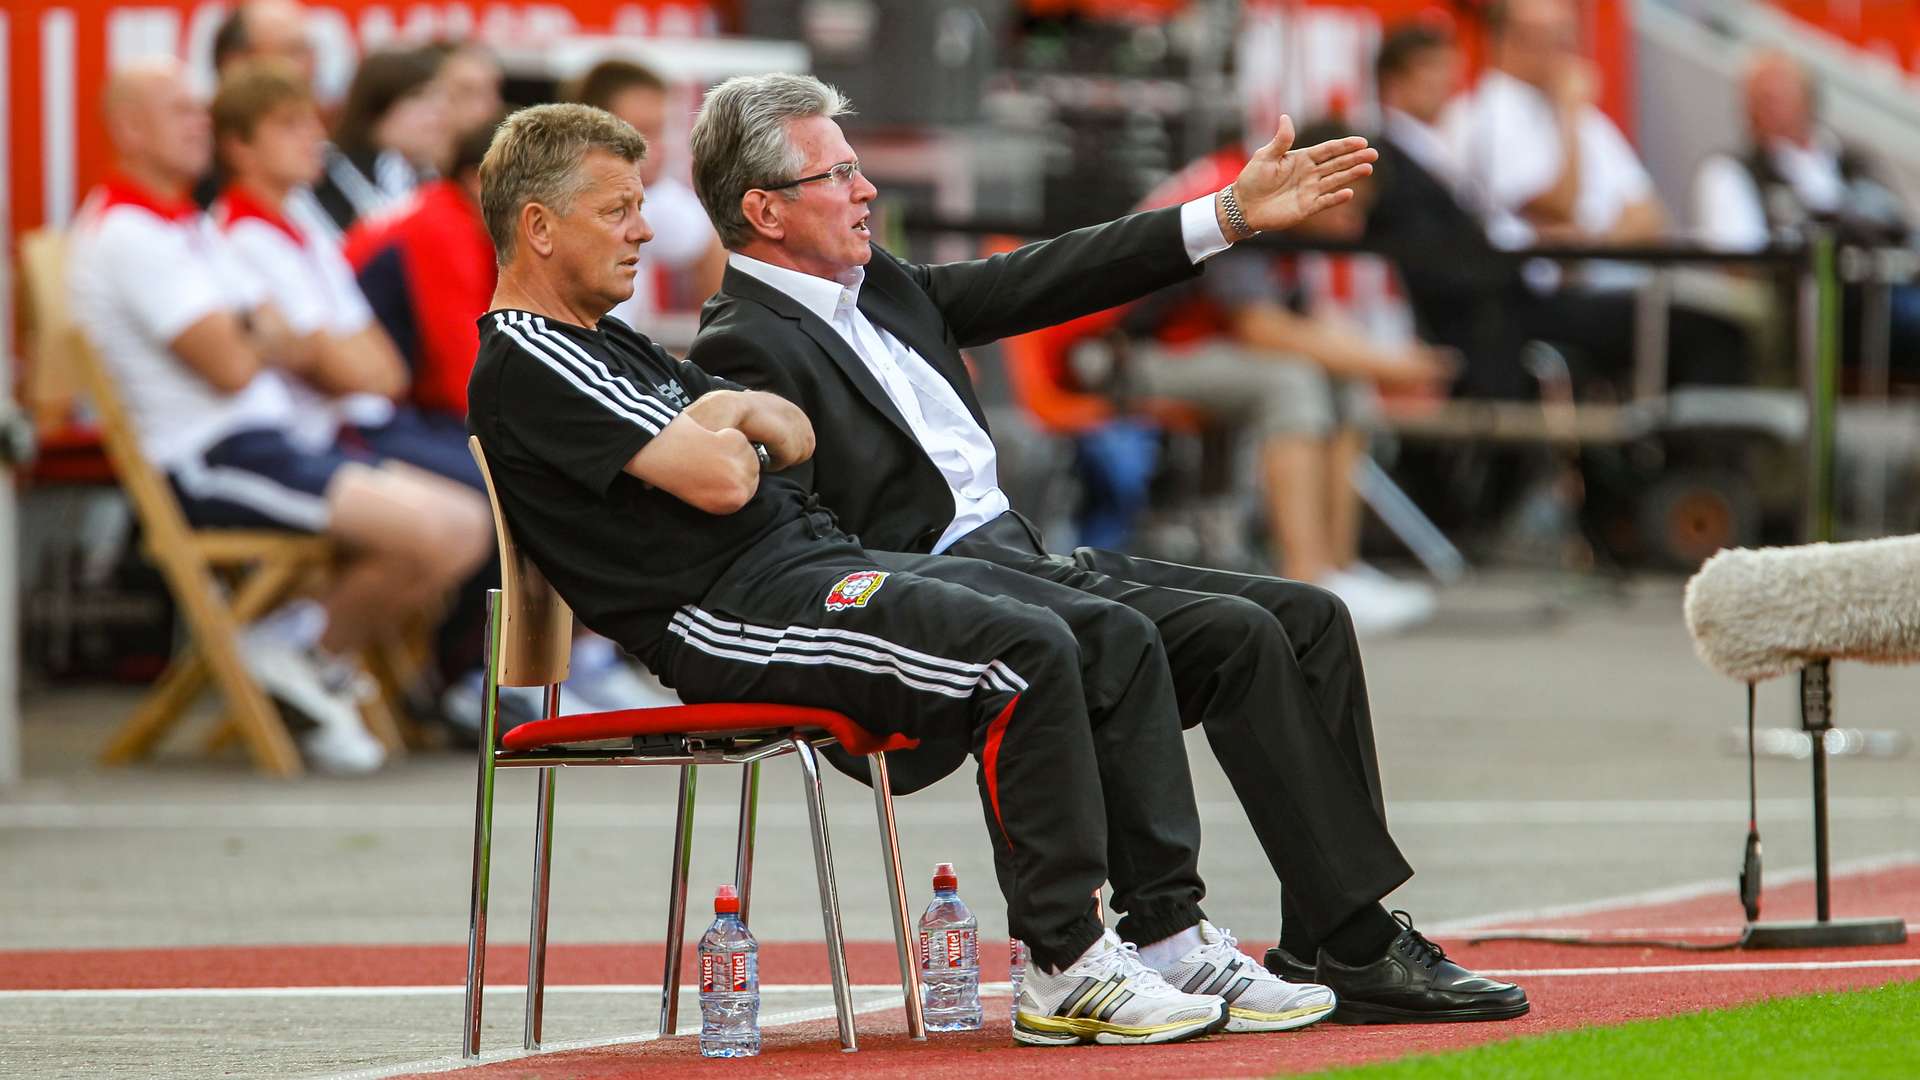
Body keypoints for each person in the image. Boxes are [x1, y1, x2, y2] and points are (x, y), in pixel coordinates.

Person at [466, 101, 1345, 1046]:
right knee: (1021, 648)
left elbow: (787, 430)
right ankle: (1065, 962)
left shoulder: (617, 345)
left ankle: (1168, 935)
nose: (644, 227)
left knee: (1106, 632)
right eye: (617, 210)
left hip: (812, 569)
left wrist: (727, 427)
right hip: (730, 614)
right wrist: (729, 427)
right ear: (538, 227)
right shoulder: (530, 353)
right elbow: (728, 474)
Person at [687, 73, 1528, 1023]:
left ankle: (1335, 934)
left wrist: (1229, 215)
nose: (867, 188)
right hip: (947, 594)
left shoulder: (874, 282)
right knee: (1216, 633)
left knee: (1306, 620)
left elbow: (1044, 276)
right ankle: (1204, 933)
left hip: (1023, 555)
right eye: (838, 174)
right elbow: (807, 546)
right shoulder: (743, 344)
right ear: (764, 210)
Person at [68, 61, 492, 772]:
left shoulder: (188, 227)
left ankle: (304, 652)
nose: (198, 122)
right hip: (212, 459)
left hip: (274, 444)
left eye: (200, 110)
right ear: (130, 127)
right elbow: (234, 365)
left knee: (463, 524)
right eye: (179, 111)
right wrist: (270, 342)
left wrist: (266, 339)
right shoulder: (129, 233)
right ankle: (296, 652)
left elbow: (343, 360)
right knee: (438, 527)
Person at [1116, 128, 1450, 630]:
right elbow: (1261, 328)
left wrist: (1376, 359)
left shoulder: (1286, 216)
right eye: (1349, 206)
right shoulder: (1242, 192)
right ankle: (1306, 579)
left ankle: (1339, 568)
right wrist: (1389, 365)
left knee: (1342, 378)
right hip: (1119, 357)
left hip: (1188, 347)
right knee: (1289, 381)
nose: (1354, 225)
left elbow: (1305, 321)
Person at [1442, 0, 1747, 390]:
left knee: (1716, 327)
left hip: (1611, 289)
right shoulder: (1482, 114)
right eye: (1553, 38)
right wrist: (1568, 113)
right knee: (1711, 337)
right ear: (1510, 38)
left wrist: (1594, 240)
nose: (1566, 50)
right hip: (1536, 305)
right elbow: (1559, 203)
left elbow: (1651, 217)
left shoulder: (1587, 120)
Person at [1693, 48, 1919, 380]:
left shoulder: (1855, 162)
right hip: (1814, 305)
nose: (1767, 107)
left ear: (1809, 100)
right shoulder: (1730, 172)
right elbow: (1740, 261)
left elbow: (1899, 226)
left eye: (1779, 95)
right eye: (1759, 98)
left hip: (1890, 286)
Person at [562, 59, 726, 336]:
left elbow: (711, 244)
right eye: (642, 131)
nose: (656, 148)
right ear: (588, 134)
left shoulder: (652, 196)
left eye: (661, 130)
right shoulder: (559, 201)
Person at [312, 47, 452, 235]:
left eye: (440, 97)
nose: (439, 111)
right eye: (418, 96)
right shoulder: (326, 175)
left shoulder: (432, 177)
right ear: (376, 108)